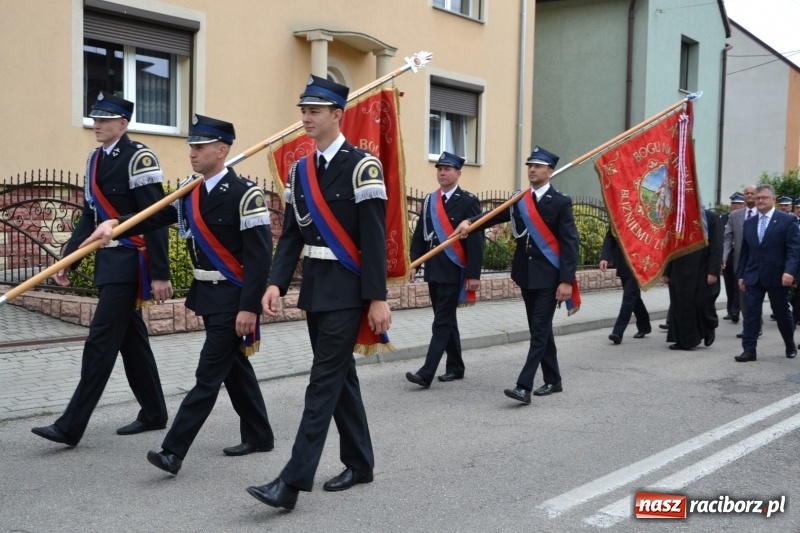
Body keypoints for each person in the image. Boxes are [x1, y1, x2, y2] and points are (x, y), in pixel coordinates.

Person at [84, 115, 275, 474]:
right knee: (234, 368)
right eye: (191, 145)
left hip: (233, 297)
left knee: (208, 375)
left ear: (221, 150)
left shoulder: (245, 194)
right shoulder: (191, 190)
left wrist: (249, 308)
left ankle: (173, 450)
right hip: (208, 296)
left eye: (200, 147)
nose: (192, 152)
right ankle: (260, 433)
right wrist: (116, 222)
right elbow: (154, 216)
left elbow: (259, 258)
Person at [247, 75, 392, 511]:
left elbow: (374, 239)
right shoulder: (300, 169)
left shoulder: (363, 166)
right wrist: (275, 281)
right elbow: (291, 235)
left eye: (315, 110)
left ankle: (291, 482)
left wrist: (378, 298)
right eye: (303, 110)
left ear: (336, 114)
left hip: (348, 291)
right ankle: (361, 462)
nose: (306, 118)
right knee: (340, 378)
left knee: (321, 385)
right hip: (316, 290)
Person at [31, 91, 169, 447]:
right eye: (95, 118)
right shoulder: (94, 160)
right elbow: (90, 217)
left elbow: (154, 216)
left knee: (100, 342)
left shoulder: (139, 158)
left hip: (130, 262)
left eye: (106, 119)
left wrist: (160, 272)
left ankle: (70, 426)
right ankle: (154, 412)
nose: (98, 124)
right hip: (109, 262)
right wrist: (69, 257)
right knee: (131, 342)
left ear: (123, 124)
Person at [453, 146, 579, 405]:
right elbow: (495, 215)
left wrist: (566, 280)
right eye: (529, 165)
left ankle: (524, 386)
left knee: (539, 330)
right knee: (539, 329)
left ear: (550, 171)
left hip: (549, 278)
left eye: (538, 165)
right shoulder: (520, 199)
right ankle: (554, 379)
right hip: (526, 275)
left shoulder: (560, 202)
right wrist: (470, 222)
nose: (532, 169)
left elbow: (569, 244)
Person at [405, 152, 483, 388]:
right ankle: (456, 367)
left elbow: (476, 239)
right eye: (440, 169)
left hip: (453, 269)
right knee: (447, 319)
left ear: (458, 173)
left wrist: (473, 274)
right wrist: (414, 263)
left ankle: (426, 372)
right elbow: (420, 235)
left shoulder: (468, 200)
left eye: (448, 169)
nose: (442, 173)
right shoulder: (429, 200)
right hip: (434, 269)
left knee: (441, 321)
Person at [735, 184, 800, 362]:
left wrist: (789, 272)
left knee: (781, 312)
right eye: (757, 198)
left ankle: (789, 343)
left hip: (778, 276)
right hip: (754, 276)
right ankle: (749, 350)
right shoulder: (749, 223)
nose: (760, 201)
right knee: (751, 313)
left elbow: (794, 250)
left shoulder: (788, 220)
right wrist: (741, 275)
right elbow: (745, 252)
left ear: (773, 199)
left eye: (764, 197)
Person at [663, 209, 723, 350]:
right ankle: (683, 340)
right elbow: (669, 246)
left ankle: (709, 326)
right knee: (679, 305)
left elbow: (717, 246)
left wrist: (713, 271)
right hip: (678, 268)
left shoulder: (711, 217)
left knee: (701, 302)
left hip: (702, 268)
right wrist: (666, 271)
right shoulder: (676, 218)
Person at [599, 227, 651, 344]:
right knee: (634, 298)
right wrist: (605, 258)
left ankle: (618, 332)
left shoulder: (640, 215)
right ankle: (644, 326)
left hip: (638, 263)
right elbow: (610, 236)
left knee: (628, 297)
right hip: (623, 263)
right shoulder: (619, 213)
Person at [721, 192, 744, 323]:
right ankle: (731, 310)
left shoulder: (746, 217)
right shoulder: (724, 218)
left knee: (738, 285)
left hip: (740, 256)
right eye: (734, 203)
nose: (736, 206)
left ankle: (736, 310)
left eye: (739, 204)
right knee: (729, 285)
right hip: (728, 257)